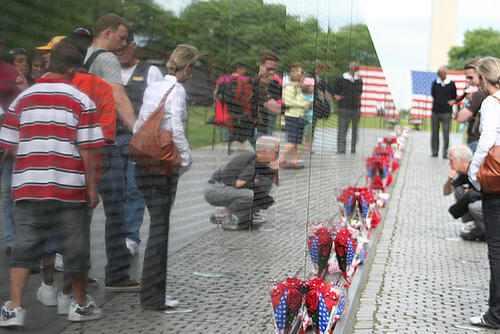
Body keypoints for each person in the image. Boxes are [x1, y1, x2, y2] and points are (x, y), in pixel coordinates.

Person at [0, 42, 104, 327]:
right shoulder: (82, 101)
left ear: (48, 66)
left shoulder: (22, 99)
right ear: (73, 70)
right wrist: (92, 189)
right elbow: (89, 150)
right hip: (69, 188)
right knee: (75, 248)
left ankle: (14, 309)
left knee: (23, 247)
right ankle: (80, 305)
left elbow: (8, 144)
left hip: (28, 188)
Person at [134, 44, 198, 311]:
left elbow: (140, 123)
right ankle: (152, 297)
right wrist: (185, 161)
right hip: (162, 167)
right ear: (189, 67)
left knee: (155, 229)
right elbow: (176, 129)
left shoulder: (154, 87)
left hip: (143, 165)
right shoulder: (178, 90)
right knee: (160, 231)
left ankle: (153, 294)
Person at [84, 14, 140, 291]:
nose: (123, 43)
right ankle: (117, 274)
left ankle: (78, 274)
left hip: (80, 144)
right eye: (121, 37)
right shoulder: (106, 60)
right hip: (105, 144)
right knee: (116, 211)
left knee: (81, 212)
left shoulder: (81, 58)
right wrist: (137, 132)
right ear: (107, 32)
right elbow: (118, 96)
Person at [117, 31, 163, 256]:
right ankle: (116, 235)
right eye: (118, 48)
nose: (122, 52)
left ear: (134, 46)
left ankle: (130, 237)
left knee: (135, 189)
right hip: (111, 138)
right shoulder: (109, 70)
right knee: (115, 190)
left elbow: (158, 105)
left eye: (126, 47)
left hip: (138, 140)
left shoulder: (150, 71)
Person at [468, 56, 500, 329]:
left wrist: (472, 173)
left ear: (483, 78)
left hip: (497, 181)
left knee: (497, 250)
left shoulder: (491, 102)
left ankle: (495, 314)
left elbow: (486, 139)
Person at [204, 136, 279, 230]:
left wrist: (275, 172)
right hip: (215, 189)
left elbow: (275, 183)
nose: (278, 156)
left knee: (265, 181)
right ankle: (224, 214)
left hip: (224, 188)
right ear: (264, 151)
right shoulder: (253, 161)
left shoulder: (261, 163)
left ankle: (248, 215)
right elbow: (239, 184)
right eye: (276, 153)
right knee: (250, 195)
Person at [443, 145, 484, 240]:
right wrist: (449, 180)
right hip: (479, 198)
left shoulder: (476, 169)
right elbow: (446, 192)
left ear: (461, 160)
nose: (449, 164)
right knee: (459, 191)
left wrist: (472, 193)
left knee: (474, 206)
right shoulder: (464, 173)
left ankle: (486, 231)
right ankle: (474, 223)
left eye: (451, 160)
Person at [279, 67, 311, 169]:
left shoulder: (297, 88)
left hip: (299, 116)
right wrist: (304, 104)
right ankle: (281, 159)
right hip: (292, 116)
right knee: (292, 141)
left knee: (297, 141)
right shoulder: (290, 88)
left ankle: (294, 161)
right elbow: (287, 101)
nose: (304, 78)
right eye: (302, 76)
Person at [456, 59, 487, 153]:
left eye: (470, 77)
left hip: (476, 140)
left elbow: (460, 118)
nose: (468, 81)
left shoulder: (479, 95)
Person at [250, 49, 282, 141]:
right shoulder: (256, 82)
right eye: (269, 69)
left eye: (274, 69)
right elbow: (275, 107)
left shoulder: (274, 83)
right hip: (258, 125)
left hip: (269, 124)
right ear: (261, 66)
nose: (272, 72)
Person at [334, 61, 363, 154]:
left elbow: (360, 92)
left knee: (355, 129)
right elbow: (336, 91)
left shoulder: (359, 80)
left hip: (355, 107)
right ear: (351, 68)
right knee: (343, 128)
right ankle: (341, 148)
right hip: (344, 107)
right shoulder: (341, 78)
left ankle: (353, 148)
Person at [430, 66, 457, 158]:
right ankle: (434, 151)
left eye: (441, 73)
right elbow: (433, 94)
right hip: (436, 111)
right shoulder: (435, 83)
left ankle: (445, 152)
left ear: (445, 73)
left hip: (446, 112)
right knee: (434, 132)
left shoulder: (451, 84)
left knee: (446, 133)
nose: (439, 75)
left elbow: (454, 96)